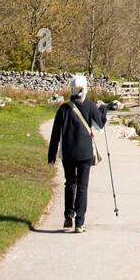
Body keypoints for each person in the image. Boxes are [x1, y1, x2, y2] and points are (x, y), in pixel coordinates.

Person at [47, 74, 114, 232]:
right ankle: (79, 222)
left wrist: (52, 155)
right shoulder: (90, 106)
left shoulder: (64, 108)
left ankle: (68, 215)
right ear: (85, 89)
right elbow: (100, 123)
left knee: (70, 183)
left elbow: (55, 133)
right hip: (85, 153)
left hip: (68, 153)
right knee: (82, 186)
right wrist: (104, 109)